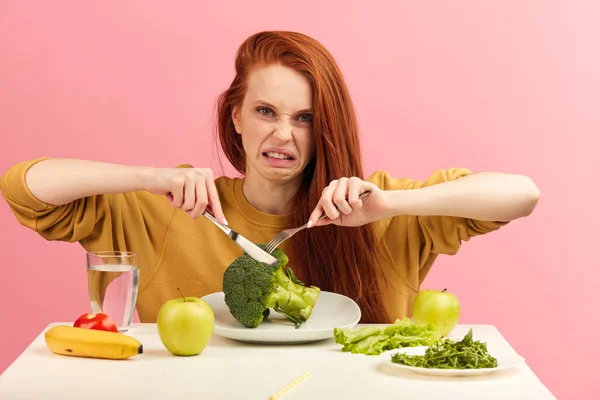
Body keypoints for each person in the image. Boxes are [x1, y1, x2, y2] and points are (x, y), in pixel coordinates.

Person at [0, 31, 540, 324]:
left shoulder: (379, 207)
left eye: (304, 118)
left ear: (326, 127)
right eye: (266, 112)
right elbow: (24, 187)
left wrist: (391, 207)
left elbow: (520, 195)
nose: (283, 135)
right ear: (235, 116)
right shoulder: (169, 207)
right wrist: (146, 175)